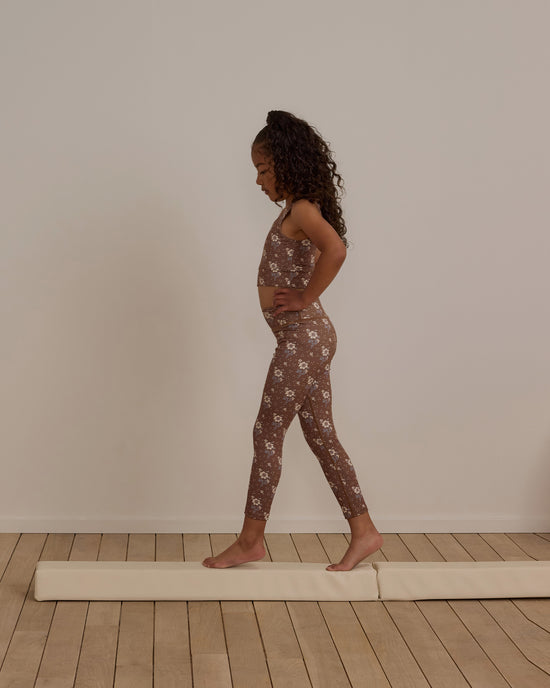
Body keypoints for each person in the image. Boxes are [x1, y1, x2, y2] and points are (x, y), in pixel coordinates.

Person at [202, 110, 383, 571]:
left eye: (264, 169)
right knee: (321, 435)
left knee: (267, 430)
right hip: (307, 337)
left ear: (285, 163)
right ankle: (364, 531)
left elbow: (336, 250)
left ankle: (250, 540)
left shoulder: (302, 209)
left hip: (304, 337)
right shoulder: (294, 210)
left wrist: (305, 296)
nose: (259, 180)